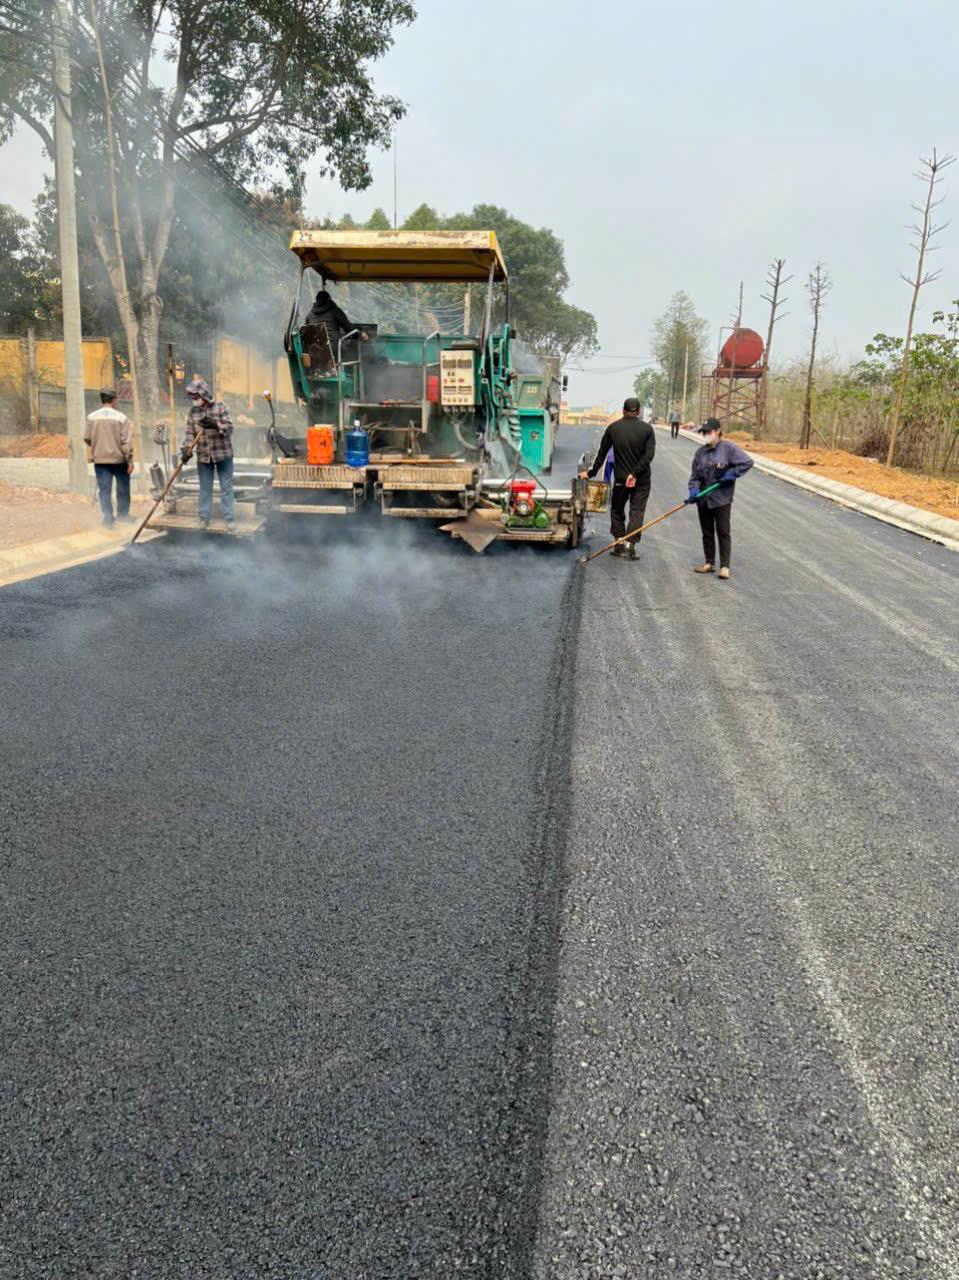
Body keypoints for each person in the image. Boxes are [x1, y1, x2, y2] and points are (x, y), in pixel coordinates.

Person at [579, 396, 656, 560]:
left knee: (617, 510)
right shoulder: (647, 429)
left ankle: (619, 544)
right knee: (637, 511)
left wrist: (590, 473)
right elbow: (649, 455)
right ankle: (630, 546)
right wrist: (635, 473)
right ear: (639, 411)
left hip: (621, 480)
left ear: (623, 410)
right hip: (641, 480)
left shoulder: (613, 428)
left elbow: (602, 455)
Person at [684, 417, 753, 579]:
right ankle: (709, 563)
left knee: (723, 531)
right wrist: (693, 490)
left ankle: (724, 567)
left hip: (722, 498)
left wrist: (731, 474)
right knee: (707, 532)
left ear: (718, 432)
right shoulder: (700, 453)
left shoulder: (728, 449)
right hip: (703, 498)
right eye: (704, 432)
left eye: (709, 432)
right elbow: (695, 476)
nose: (706, 435)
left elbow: (747, 462)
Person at [181, 377, 236, 530]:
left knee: (226, 487)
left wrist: (216, 425)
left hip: (223, 454)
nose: (194, 399)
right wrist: (186, 449)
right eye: (192, 397)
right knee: (205, 488)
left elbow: (230, 429)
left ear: (203, 394)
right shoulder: (193, 412)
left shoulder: (220, 407)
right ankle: (204, 518)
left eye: (196, 396)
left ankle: (230, 518)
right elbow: (189, 433)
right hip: (204, 456)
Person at [84, 388, 134, 527]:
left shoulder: (91, 417)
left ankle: (108, 518)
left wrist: (97, 447)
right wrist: (130, 460)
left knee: (104, 489)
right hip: (119, 460)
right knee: (123, 487)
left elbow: (87, 438)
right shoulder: (121, 417)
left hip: (100, 460)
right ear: (114, 400)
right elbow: (126, 442)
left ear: (102, 400)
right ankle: (123, 515)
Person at [302, 288, 370, 371]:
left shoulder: (309, 314)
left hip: (315, 352)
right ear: (329, 299)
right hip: (333, 349)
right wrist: (360, 334)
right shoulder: (335, 311)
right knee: (353, 348)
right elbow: (348, 328)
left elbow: (305, 332)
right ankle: (350, 374)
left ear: (317, 300)